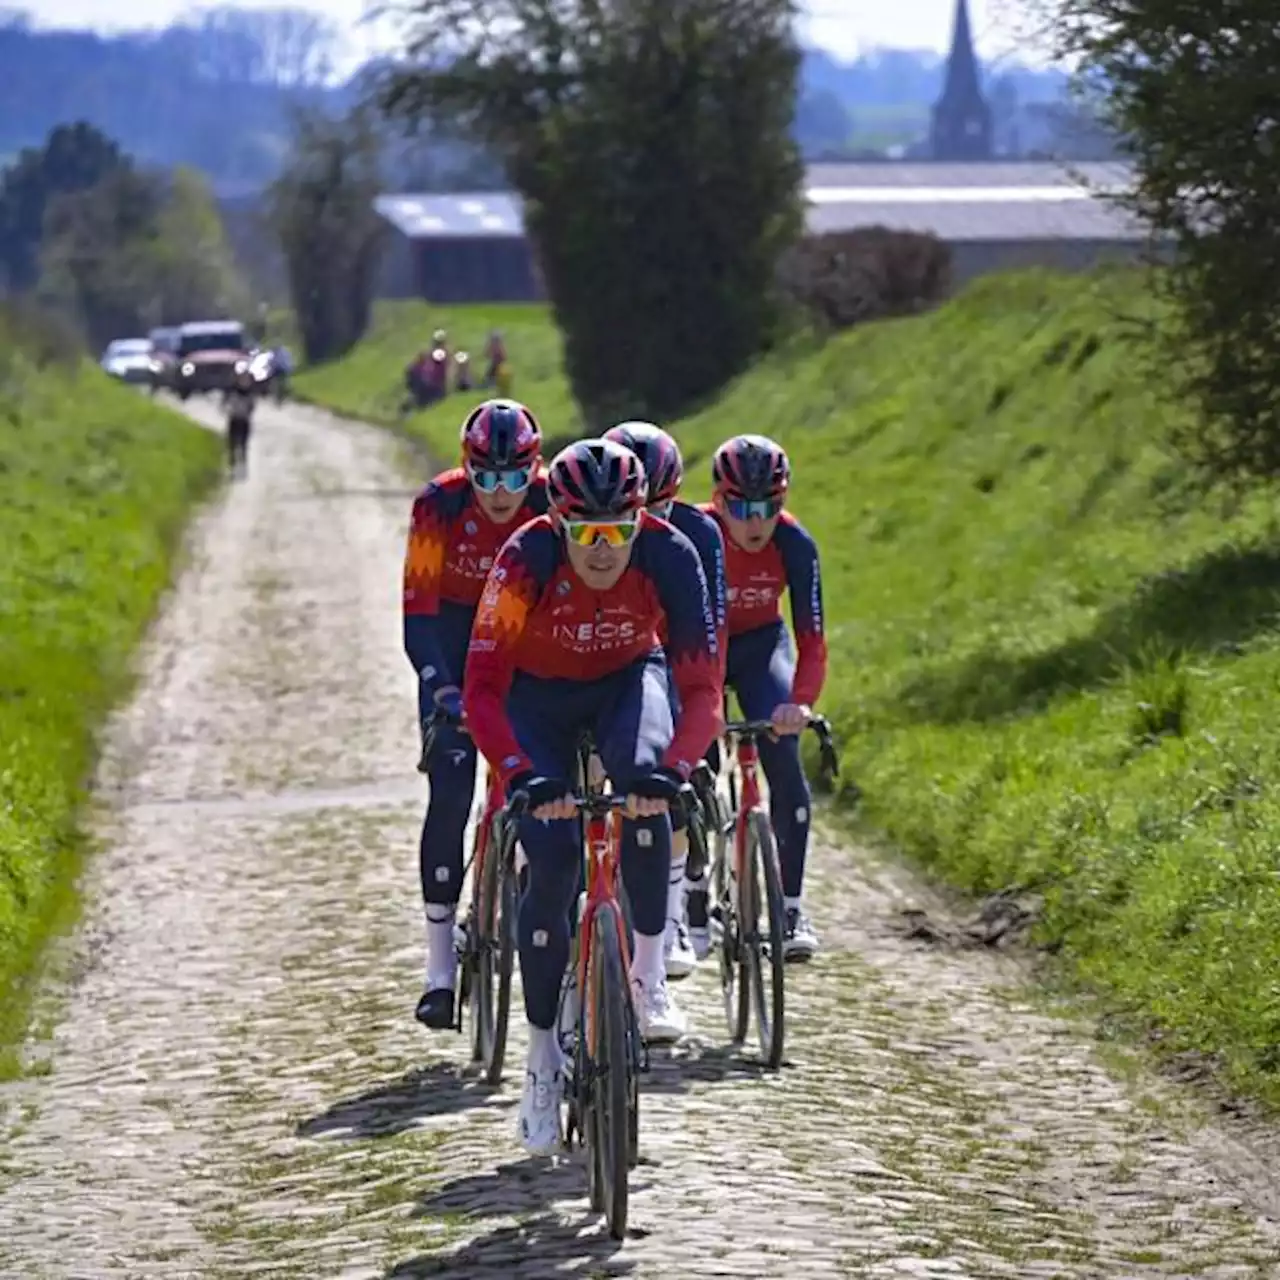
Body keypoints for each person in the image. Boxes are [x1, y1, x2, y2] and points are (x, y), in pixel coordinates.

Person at [463, 438, 722, 1156]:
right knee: (549, 860)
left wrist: (676, 767)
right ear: (559, 523)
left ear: (643, 519)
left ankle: (643, 980)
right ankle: (543, 1056)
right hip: (534, 700)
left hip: (624, 681)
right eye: (587, 533)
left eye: (620, 530)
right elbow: (482, 693)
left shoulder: (671, 555)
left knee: (646, 794)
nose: (604, 549)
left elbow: (701, 689)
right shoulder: (525, 558)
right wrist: (520, 776)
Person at [402, 399, 548, 1030]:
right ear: (466, 468)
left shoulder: (552, 505)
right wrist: (440, 690)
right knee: (452, 788)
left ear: (534, 470)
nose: (499, 491)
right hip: (455, 647)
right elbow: (418, 613)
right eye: (484, 476)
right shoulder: (438, 505)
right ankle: (439, 969)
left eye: (514, 477)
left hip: (525, 644)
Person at [602, 421, 727, 976]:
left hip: (674, 657)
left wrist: (699, 716)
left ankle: (675, 912)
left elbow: (709, 630)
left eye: (661, 506)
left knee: (679, 779)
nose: (649, 522)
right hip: (617, 659)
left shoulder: (698, 534)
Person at [702, 434, 827, 961]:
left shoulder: (795, 545)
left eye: (769, 507)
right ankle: (688, 895)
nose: (755, 522)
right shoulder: (697, 534)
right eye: (740, 507)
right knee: (688, 767)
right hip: (701, 649)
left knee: (785, 764)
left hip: (759, 648)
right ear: (717, 499)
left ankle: (792, 908)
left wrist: (798, 703)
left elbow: (812, 641)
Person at [222, 365, 257, 478]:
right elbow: (224, 404)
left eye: (246, 380)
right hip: (234, 420)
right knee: (232, 445)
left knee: (243, 446)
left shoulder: (250, 393)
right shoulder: (232, 392)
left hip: (244, 421)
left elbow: (252, 407)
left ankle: (242, 468)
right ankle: (232, 467)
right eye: (242, 379)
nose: (244, 382)